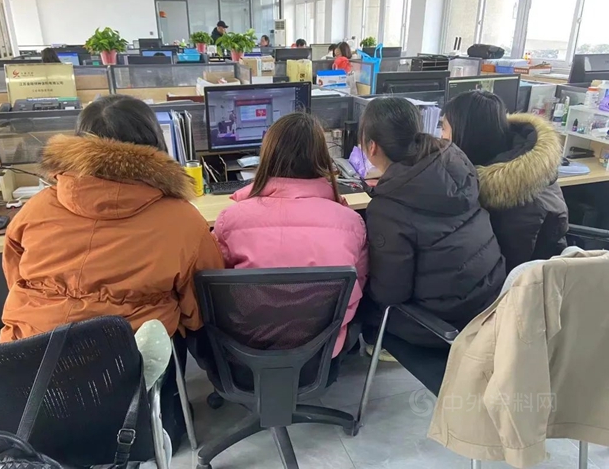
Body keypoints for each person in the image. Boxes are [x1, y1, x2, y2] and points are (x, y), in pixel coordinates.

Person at [0, 94, 224, 343]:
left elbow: (15, 278)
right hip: (125, 357)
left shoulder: (36, 208)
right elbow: (202, 304)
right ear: (155, 141)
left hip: (27, 354)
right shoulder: (184, 220)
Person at [212, 112, 368, 363]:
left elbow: (216, 290)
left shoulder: (229, 220)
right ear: (323, 158)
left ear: (267, 156)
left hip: (246, 354)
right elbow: (357, 285)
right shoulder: (352, 222)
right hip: (320, 357)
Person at [360, 97, 506, 348]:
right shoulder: (455, 164)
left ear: (372, 147)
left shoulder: (389, 209)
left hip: (443, 326)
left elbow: (391, 293)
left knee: (359, 301)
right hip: (491, 306)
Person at [442, 91, 568, 272]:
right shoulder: (526, 161)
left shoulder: (511, 202)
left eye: (444, 128)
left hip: (520, 283)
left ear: (467, 134)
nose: (442, 137)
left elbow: (508, 273)